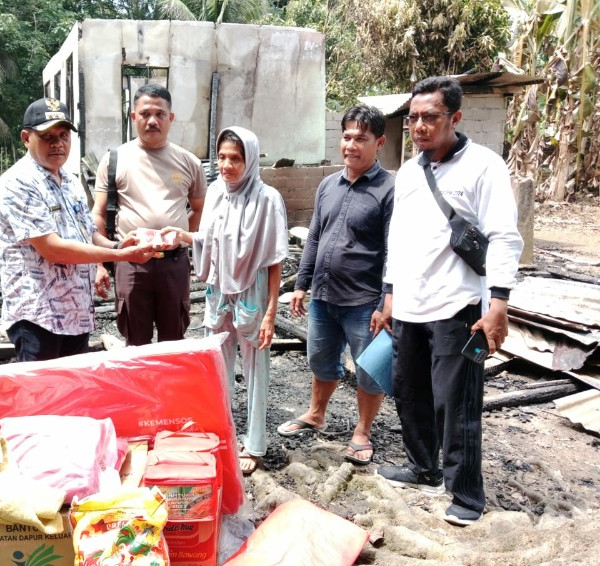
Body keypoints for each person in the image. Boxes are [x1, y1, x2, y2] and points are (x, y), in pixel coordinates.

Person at [377, 76, 523, 526]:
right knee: (410, 392)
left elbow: (503, 236)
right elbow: (397, 240)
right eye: (414, 117)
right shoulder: (408, 172)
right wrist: (388, 295)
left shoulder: (484, 166)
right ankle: (423, 467)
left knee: (455, 404)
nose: (419, 126)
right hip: (410, 305)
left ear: (455, 118)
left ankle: (466, 495)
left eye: (430, 117)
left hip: (457, 307)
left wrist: (497, 302)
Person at [163, 126, 288, 475]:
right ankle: (219, 433)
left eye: (235, 158)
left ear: (249, 160)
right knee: (215, 366)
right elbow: (210, 240)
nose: (227, 165)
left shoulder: (267, 198)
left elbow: (274, 258)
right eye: (221, 157)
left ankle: (254, 444)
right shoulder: (217, 192)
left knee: (254, 370)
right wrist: (183, 236)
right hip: (219, 289)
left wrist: (270, 313)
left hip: (253, 289)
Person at [276, 105, 394, 467]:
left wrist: (387, 299)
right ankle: (316, 413)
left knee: (370, 367)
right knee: (319, 358)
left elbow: (394, 249)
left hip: (364, 300)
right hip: (323, 296)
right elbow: (314, 237)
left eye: (361, 138)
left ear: (379, 142)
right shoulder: (328, 184)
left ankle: (361, 431)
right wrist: (301, 284)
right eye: (346, 137)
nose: (352, 145)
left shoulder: (390, 189)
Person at [0, 97, 156, 362]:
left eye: (63, 135)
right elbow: (52, 248)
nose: (57, 143)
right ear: (26, 137)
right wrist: (121, 257)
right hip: (39, 317)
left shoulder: (69, 180)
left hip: (76, 313)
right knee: (45, 399)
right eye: (47, 136)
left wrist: (117, 246)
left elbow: (87, 232)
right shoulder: (18, 183)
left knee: (73, 397)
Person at [91, 84, 206, 346]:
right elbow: (97, 214)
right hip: (131, 265)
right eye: (145, 114)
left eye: (160, 114)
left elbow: (198, 208)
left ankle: (169, 389)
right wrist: (100, 263)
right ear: (133, 117)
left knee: (173, 340)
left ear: (171, 117)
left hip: (173, 264)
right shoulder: (114, 161)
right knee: (135, 341)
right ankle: (139, 387)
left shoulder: (189, 163)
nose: (152, 121)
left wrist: (181, 237)